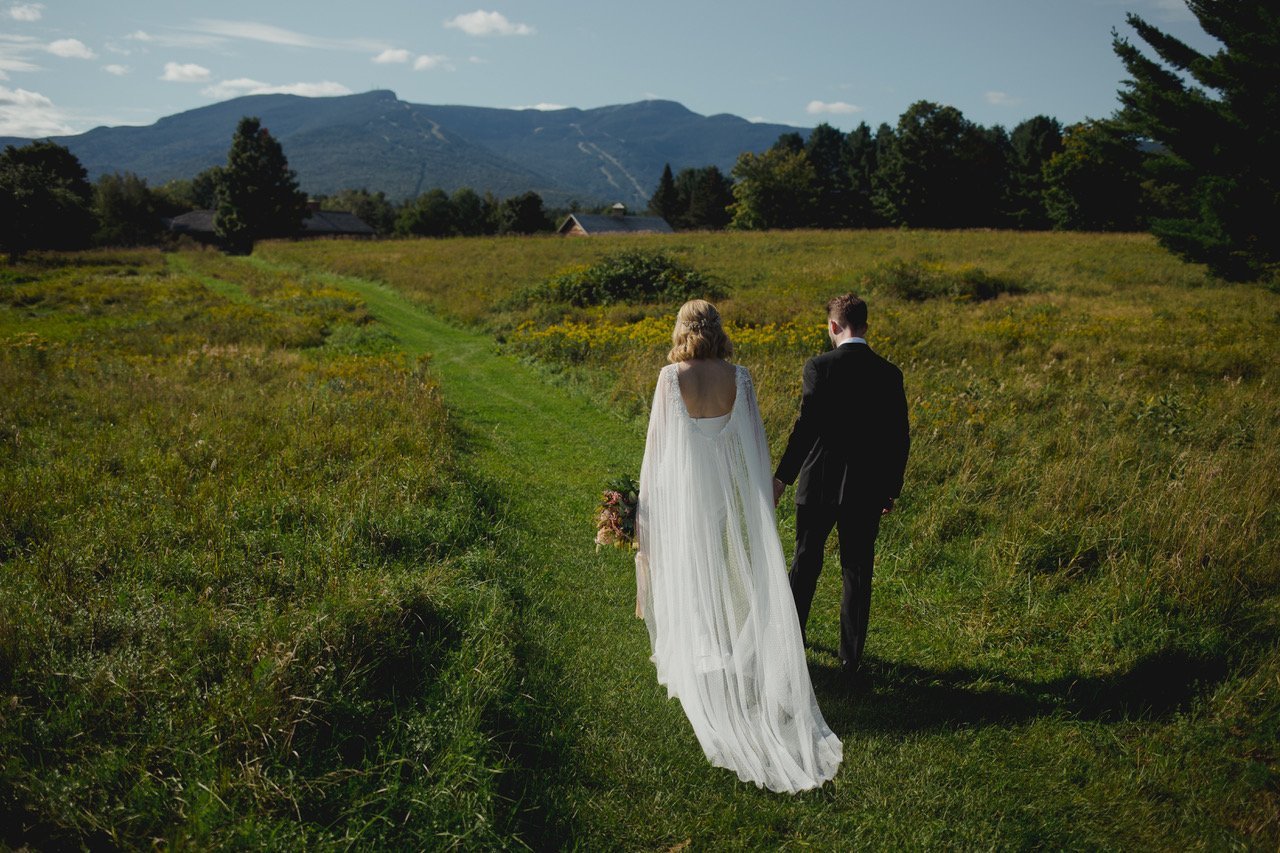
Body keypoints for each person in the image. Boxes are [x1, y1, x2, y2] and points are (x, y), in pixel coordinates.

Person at [634, 299, 841, 794]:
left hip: (685, 486)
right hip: (721, 489)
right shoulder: (740, 376)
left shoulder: (670, 379)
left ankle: (696, 648)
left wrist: (645, 503)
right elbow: (754, 441)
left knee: (688, 563)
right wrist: (756, 496)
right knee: (713, 559)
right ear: (718, 329)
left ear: (683, 329)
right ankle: (715, 645)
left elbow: (657, 446)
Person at [773, 294, 909, 681]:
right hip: (866, 489)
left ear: (833, 327)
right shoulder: (889, 373)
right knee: (857, 571)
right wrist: (889, 490)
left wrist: (782, 477)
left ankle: (790, 646)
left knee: (805, 563)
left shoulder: (819, 367)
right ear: (865, 326)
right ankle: (851, 660)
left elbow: (806, 428)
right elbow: (899, 438)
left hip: (818, 484)